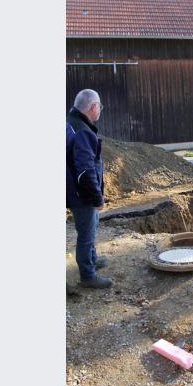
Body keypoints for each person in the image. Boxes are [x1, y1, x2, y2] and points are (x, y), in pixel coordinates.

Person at [66, 89, 112, 289]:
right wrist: (96, 198)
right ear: (93, 107)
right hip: (81, 194)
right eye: (99, 106)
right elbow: (85, 171)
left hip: (74, 190)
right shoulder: (83, 131)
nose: (100, 110)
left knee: (89, 229)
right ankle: (88, 276)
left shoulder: (71, 123)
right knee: (86, 233)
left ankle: (91, 260)